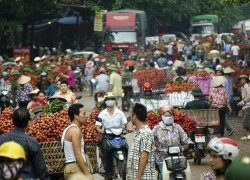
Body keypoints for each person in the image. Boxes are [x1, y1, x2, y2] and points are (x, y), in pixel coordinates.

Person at [0, 108, 50, 179]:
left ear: (12, 121)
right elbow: (41, 168)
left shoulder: (1, 139)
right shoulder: (31, 142)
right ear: (28, 122)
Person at [96, 92, 132, 178]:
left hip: (119, 136)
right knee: (104, 150)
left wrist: (129, 128)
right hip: (107, 137)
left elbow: (126, 124)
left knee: (126, 146)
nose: (110, 101)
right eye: (108, 99)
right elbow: (97, 126)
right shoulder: (102, 114)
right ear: (105, 101)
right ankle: (104, 167)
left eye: (112, 99)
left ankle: (125, 165)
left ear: (115, 101)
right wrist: (100, 130)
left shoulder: (120, 113)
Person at [152, 104, 193, 180]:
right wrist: (152, 147)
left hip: (178, 157)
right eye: (165, 116)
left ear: (173, 116)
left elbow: (185, 138)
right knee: (163, 176)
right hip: (162, 158)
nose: (168, 117)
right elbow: (150, 140)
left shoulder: (177, 127)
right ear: (162, 116)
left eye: (169, 115)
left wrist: (190, 143)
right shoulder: (157, 128)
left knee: (186, 174)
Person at [61, 104, 94, 180]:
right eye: (84, 113)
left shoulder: (68, 129)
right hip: (75, 168)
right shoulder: (75, 131)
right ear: (76, 116)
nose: (86, 116)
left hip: (71, 168)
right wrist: (87, 173)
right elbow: (77, 154)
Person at [127, 103, 155, 180]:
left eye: (131, 115)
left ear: (135, 117)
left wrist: (138, 177)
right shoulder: (138, 131)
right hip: (134, 175)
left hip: (143, 177)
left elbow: (144, 157)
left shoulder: (146, 134)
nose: (130, 118)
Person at [213, 68, 234, 136]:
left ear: (222, 73)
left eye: (220, 72)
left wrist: (228, 100)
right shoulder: (213, 80)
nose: (218, 73)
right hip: (215, 102)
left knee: (221, 117)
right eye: (217, 72)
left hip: (222, 101)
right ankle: (218, 130)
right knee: (218, 117)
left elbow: (227, 90)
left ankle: (227, 129)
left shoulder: (225, 81)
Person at [237, 75, 250, 140]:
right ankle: (248, 134)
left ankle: (248, 134)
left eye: (243, 79)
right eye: (241, 79)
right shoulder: (243, 87)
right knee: (246, 120)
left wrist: (242, 102)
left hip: (248, 105)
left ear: (246, 80)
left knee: (246, 120)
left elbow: (248, 97)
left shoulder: (247, 87)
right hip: (245, 106)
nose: (242, 81)